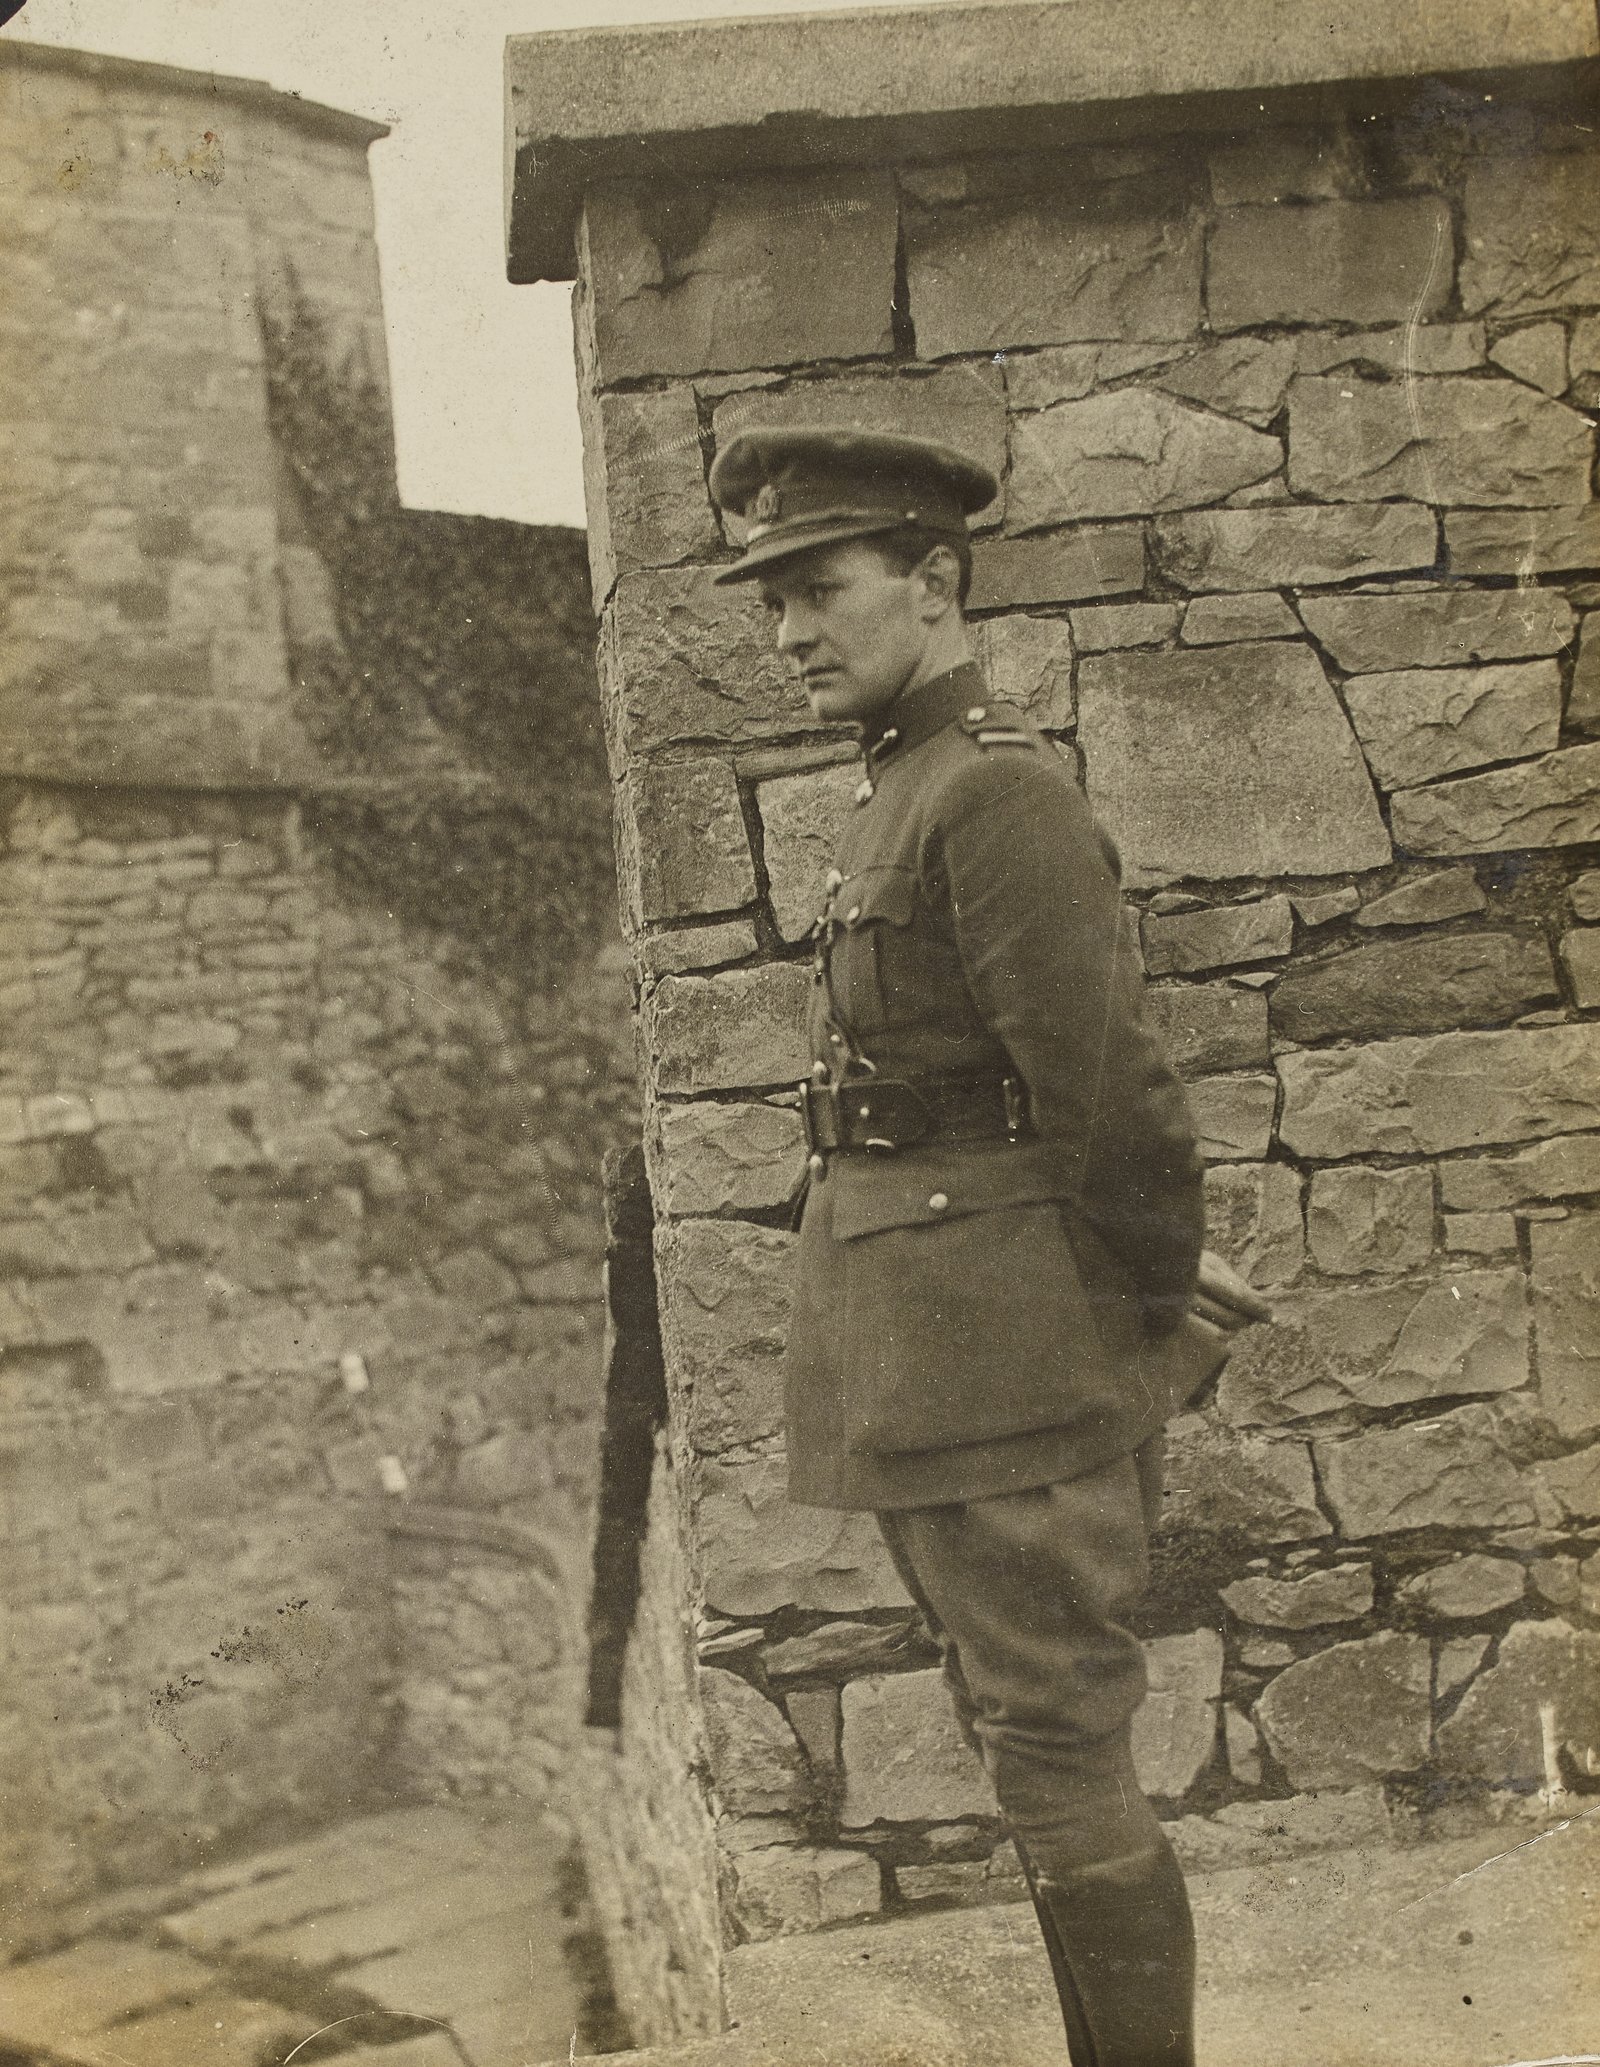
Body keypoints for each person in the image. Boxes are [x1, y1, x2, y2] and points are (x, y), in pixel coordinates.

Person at [707, 426, 1270, 2067]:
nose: (790, 633)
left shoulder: (996, 790)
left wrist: (1153, 1291)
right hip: (944, 1346)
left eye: (820, 591)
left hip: (1006, 1356)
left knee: (1056, 1743)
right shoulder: (908, 788)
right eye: (775, 604)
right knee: (1027, 1739)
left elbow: (1106, 1093)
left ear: (937, 583)